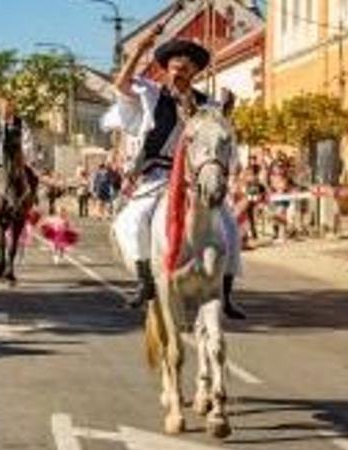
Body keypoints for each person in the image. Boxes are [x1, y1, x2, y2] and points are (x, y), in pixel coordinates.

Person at [101, 30, 246, 319]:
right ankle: (145, 281)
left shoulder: (208, 105)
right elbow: (122, 84)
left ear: (194, 72)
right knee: (134, 220)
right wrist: (139, 50)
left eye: (186, 68)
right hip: (159, 175)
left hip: (195, 178)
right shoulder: (152, 95)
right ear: (166, 70)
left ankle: (225, 292)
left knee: (229, 226)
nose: (179, 72)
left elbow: (220, 137)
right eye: (175, 67)